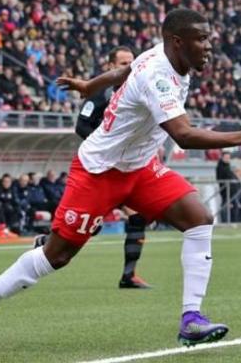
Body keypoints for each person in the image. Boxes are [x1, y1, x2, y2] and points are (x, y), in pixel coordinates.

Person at [0, 8, 241, 353]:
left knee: (199, 219)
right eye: (202, 39)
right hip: (99, 171)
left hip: (141, 168)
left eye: (209, 39)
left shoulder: (161, 57)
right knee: (56, 256)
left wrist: (91, 85)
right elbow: (184, 135)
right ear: (178, 42)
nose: (209, 47)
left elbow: (125, 69)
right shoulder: (158, 76)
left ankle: (191, 318)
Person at [32, 46, 152, 289]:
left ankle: (129, 275)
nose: (127, 67)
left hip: (125, 168)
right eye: (121, 63)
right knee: (87, 227)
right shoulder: (100, 93)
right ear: (109, 66)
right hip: (101, 168)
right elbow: (81, 126)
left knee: (138, 217)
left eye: (130, 62)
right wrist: (106, 144)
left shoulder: (140, 90)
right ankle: (46, 242)